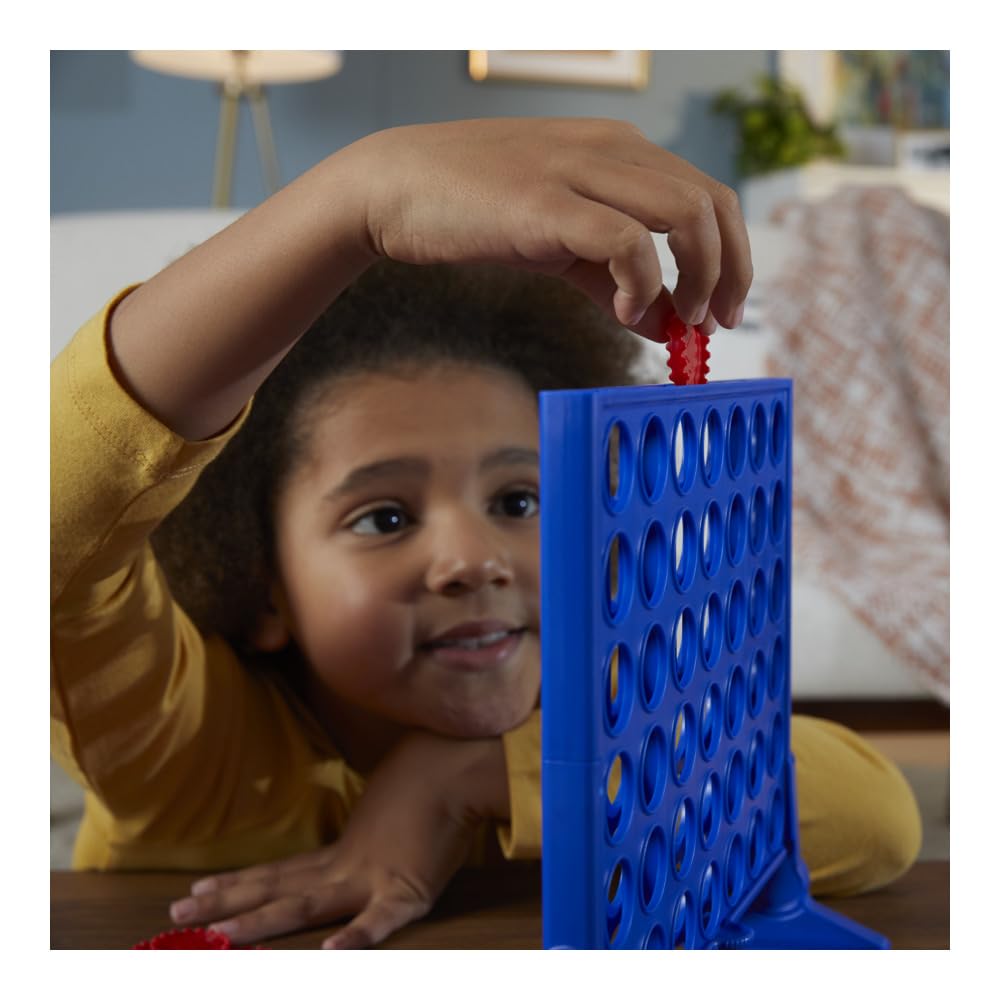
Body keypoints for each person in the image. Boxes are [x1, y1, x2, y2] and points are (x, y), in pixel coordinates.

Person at [51, 117, 921, 949]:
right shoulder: (186, 749)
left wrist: (460, 780)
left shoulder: (597, 697)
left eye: (519, 501)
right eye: (384, 518)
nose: (474, 560)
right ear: (264, 580)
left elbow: (872, 814)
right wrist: (358, 197)